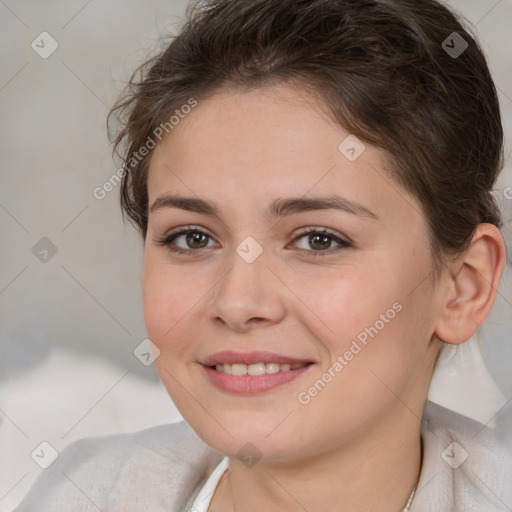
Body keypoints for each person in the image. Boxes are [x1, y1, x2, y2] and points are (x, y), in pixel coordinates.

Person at [16, 0, 512, 510]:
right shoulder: (82, 493)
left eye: (319, 239)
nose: (236, 302)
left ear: (463, 287)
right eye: (193, 238)